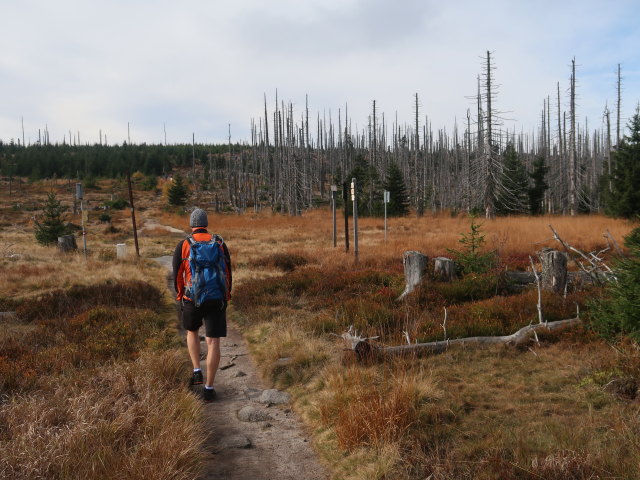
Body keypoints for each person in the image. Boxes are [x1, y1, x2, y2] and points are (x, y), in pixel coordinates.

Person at [173, 208, 231, 402]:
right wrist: (226, 296)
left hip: (192, 298)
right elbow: (228, 272)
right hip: (216, 298)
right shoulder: (219, 243)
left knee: (192, 332)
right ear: (206, 224)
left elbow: (177, 274)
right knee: (214, 341)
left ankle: (197, 369)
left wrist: (181, 295)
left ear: (192, 225)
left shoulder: (184, 245)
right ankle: (209, 388)